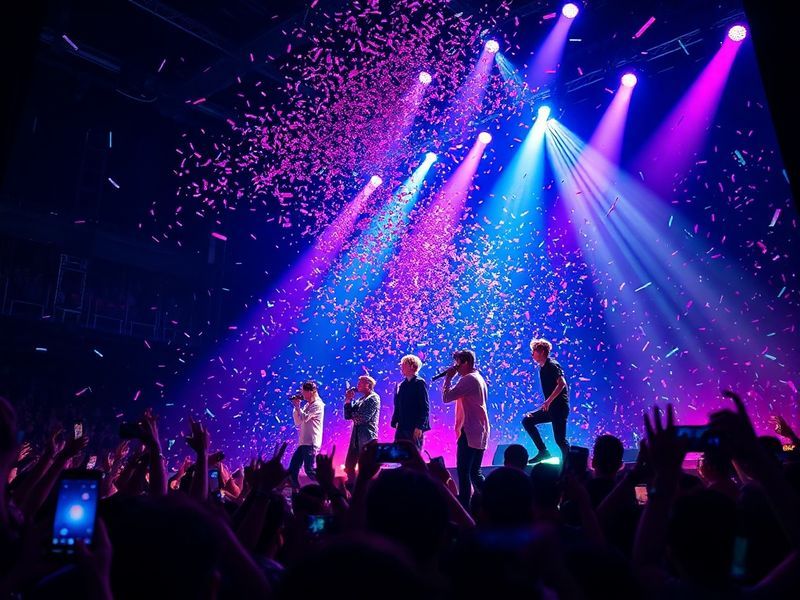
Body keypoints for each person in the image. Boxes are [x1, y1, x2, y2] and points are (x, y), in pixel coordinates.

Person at [443, 349, 490, 508]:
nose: (455, 367)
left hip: (469, 430)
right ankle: (492, 502)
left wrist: (448, 379)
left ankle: (465, 511)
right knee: (474, 473)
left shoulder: (468, 379)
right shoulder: (478, 378)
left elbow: (446, 397)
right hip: (479, 429)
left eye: (457, 363)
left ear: (466, 363)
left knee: (464, 473)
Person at [522, 338, 570, 464]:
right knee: (528, 420)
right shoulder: (542, 368)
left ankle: (569, 465)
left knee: (560, 440)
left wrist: (548, 401)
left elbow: (562, 384)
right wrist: (546, 404)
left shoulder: (552, 365)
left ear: (542, 352)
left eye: (534, 351)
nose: (532, 354)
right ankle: (543, 451)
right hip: (551, 408)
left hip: (559, 408)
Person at [344, 375, 380, 484]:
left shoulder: (373, 398)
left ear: (368, 385)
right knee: (349, 466)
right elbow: (347, 416)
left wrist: (354, 415)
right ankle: (353, 489)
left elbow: (362, 418)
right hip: (356, 438)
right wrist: (348, 401)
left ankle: (365, 491)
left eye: (360, 383)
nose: (357, 385)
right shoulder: (360, 400)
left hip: (367, 438)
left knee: (365, 467)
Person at [288, 381, 325, 488]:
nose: (302, 394)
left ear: (311, 392)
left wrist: (298, 407)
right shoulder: (308, 405)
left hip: (311, 442)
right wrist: (296, 407)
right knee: (293, 469)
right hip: (304, 442)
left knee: (310, 470)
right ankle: (296, 491)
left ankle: (327, 487)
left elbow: (304, 417)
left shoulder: (318, 405)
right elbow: (298, 421)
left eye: (303, 392)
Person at [391, 355, 429, 450]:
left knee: (413, 454)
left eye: (404, 364)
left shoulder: (419, 383)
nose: (401, 366)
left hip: (413, 426)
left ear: (413, 366)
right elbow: (398, 405)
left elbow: (424, 406)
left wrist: (419, 426)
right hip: (402, 426)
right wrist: (395, 421)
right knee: (399, 453)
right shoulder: (402, 385)